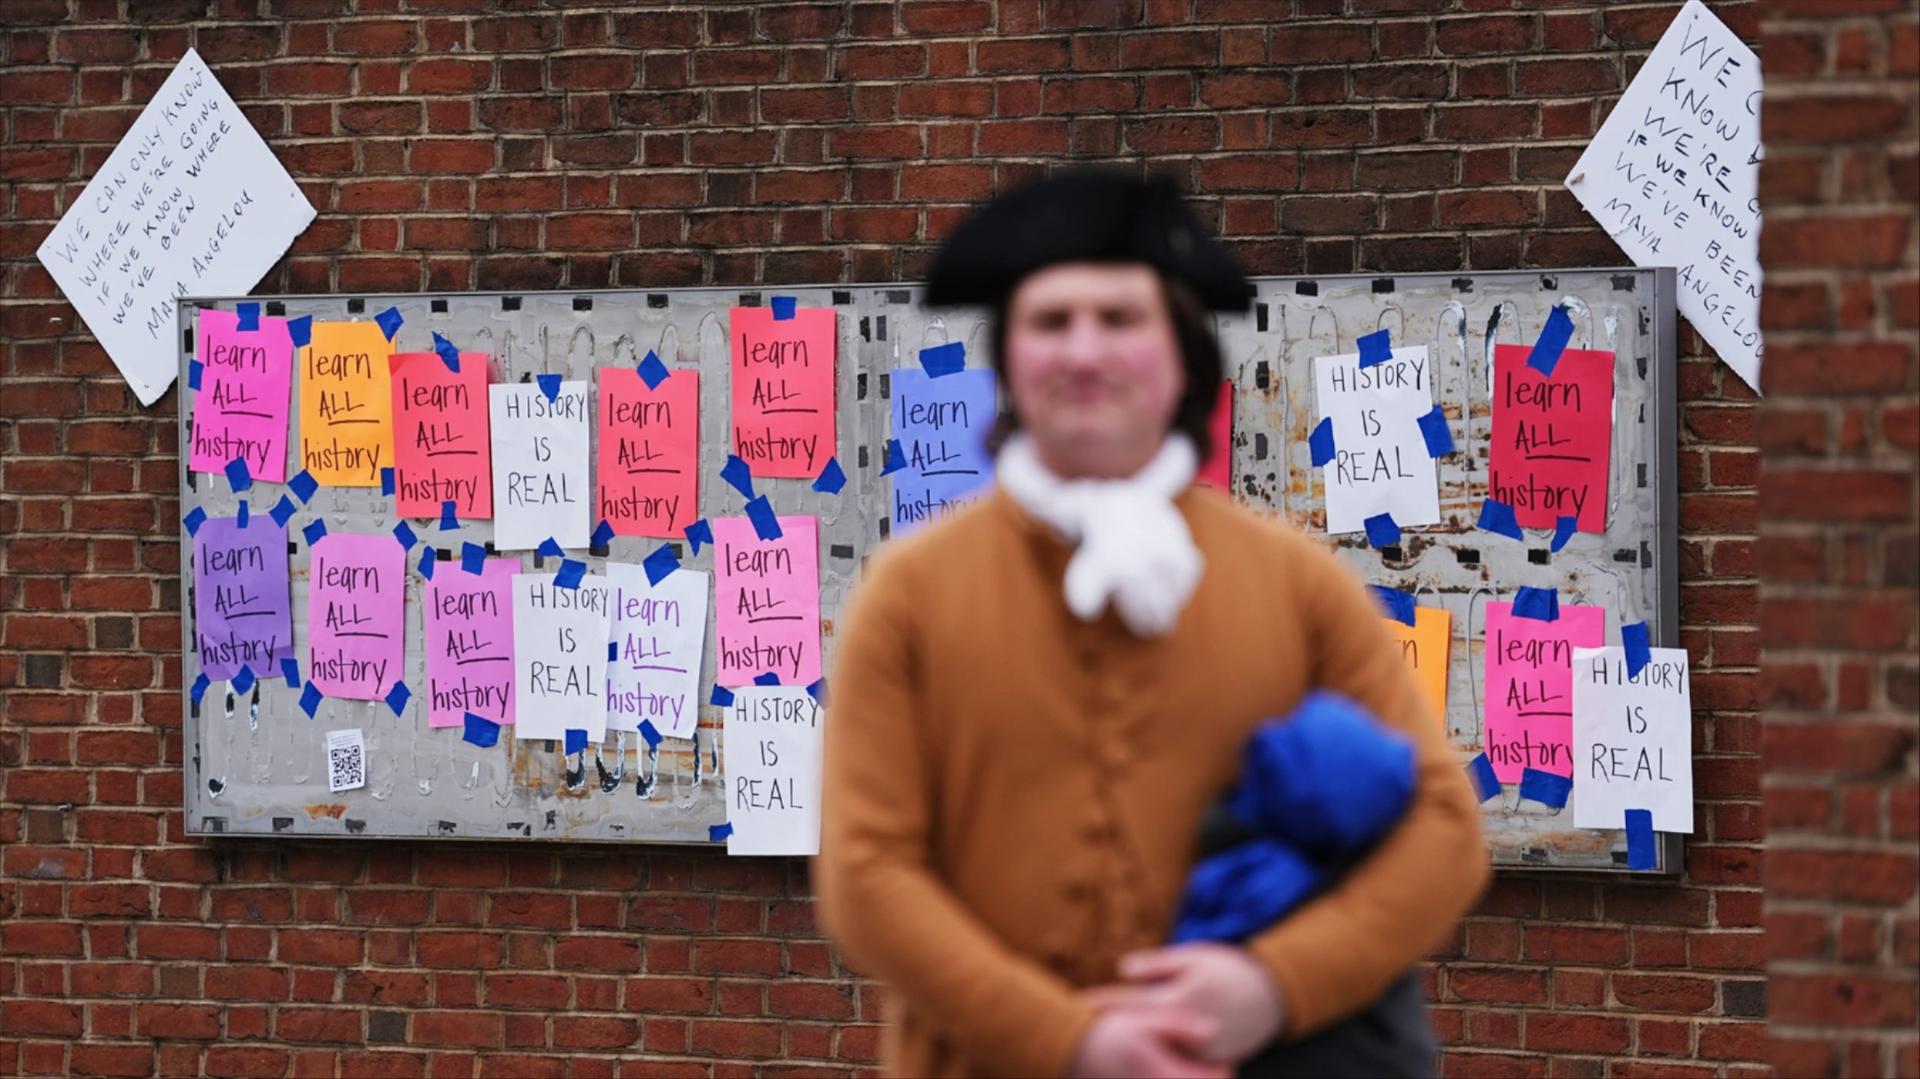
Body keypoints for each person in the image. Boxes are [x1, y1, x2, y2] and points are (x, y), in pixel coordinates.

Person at [814, 168, 1490, 1078]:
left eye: (1121, 318)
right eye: (1051, 321)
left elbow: (1445, 828)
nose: (1084, 351)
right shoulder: (910, 594)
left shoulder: (1295, 583)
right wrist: (1074, 1040)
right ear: (1008, 357)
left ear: (1180, 355)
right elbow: (866, 877)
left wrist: (1274, 983)